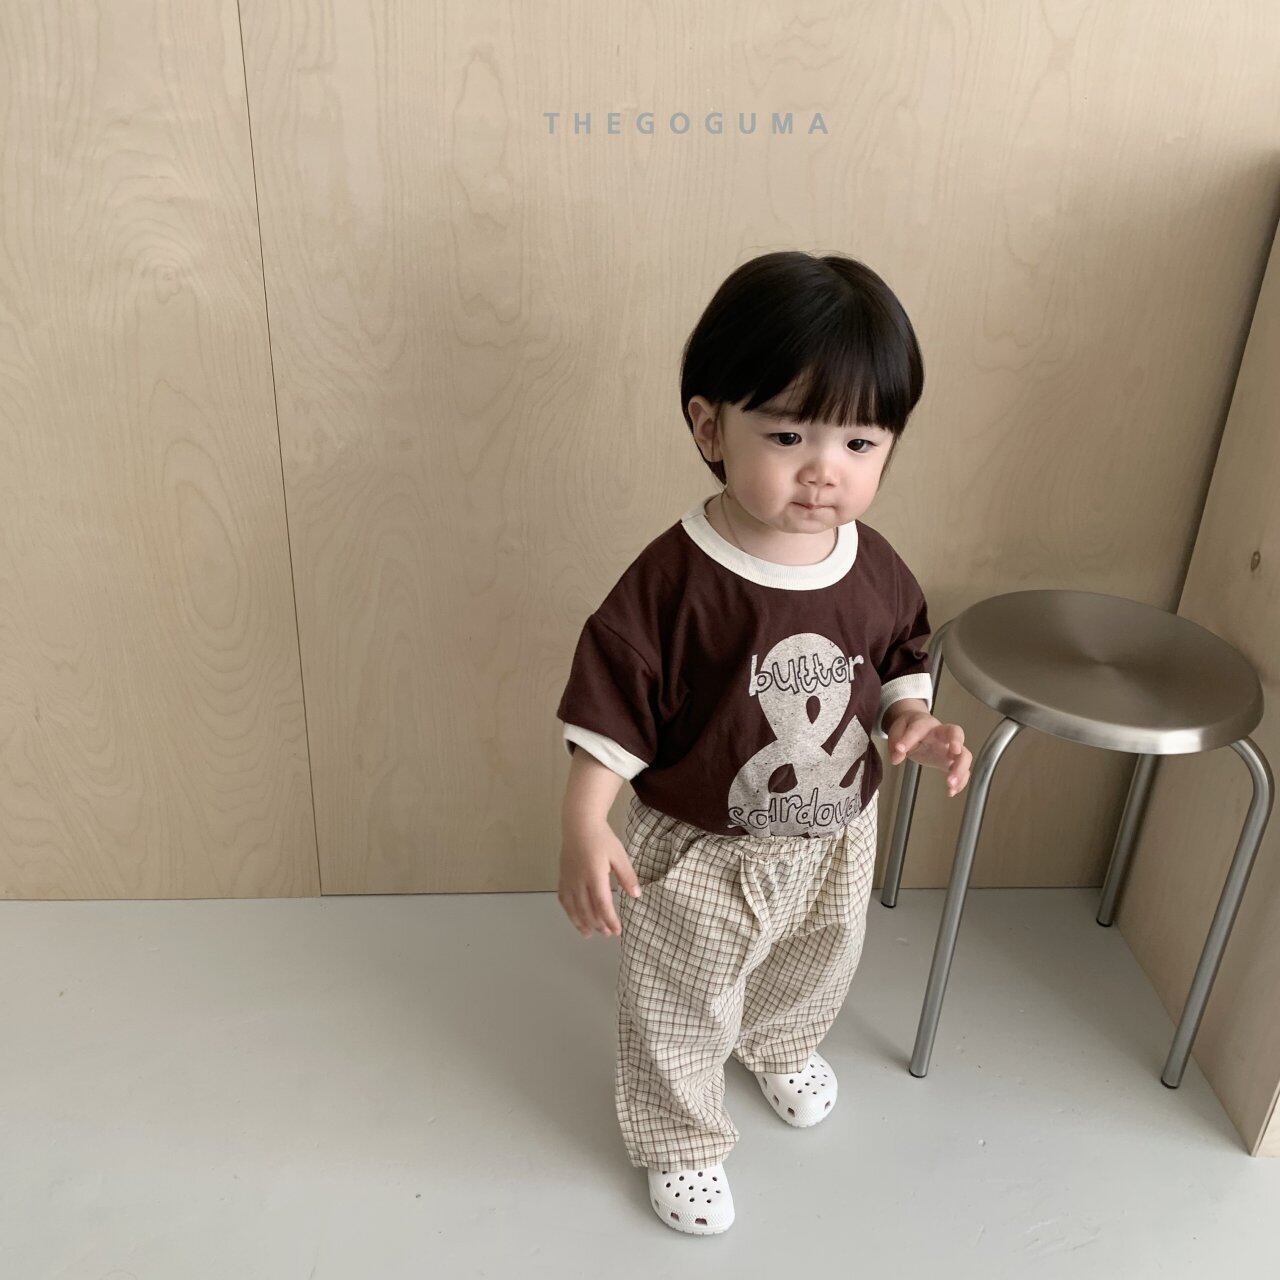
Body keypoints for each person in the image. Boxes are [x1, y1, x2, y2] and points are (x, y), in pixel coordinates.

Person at [555, 250, 973, 1235]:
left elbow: (897, 653)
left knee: (820, 955)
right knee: (680, 998)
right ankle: (678, 1135)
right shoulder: (676, 581)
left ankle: (779, 1041)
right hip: (706, 847)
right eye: (787, 435)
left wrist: (910, 721)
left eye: (860, 442)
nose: (824, 469)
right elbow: (614, 696)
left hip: (835, 832)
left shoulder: (870, 564)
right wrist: (584, 818)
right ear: (710, 427)